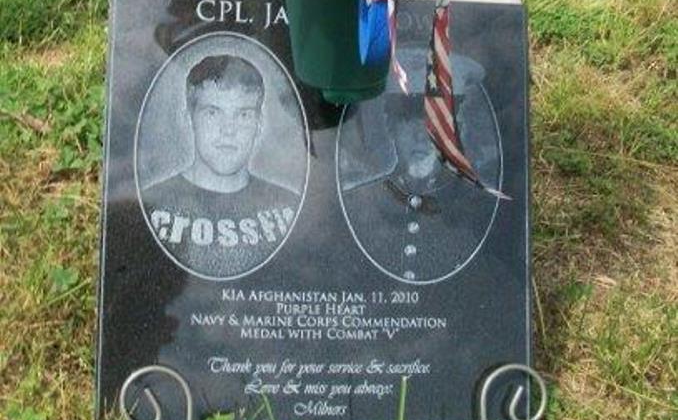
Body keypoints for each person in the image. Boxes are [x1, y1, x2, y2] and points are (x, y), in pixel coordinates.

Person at [338, 47, 502, 284]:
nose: (421, 139)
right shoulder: (360, 204)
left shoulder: (477, 206)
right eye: (409, 123)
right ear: (391, 128)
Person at [143, 55, 300, 278]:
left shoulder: (289, 208)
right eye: (212, 113)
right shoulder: (150, 205)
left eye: (244, 114)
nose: (228, 130)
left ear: (260, 124)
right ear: (188, 118)